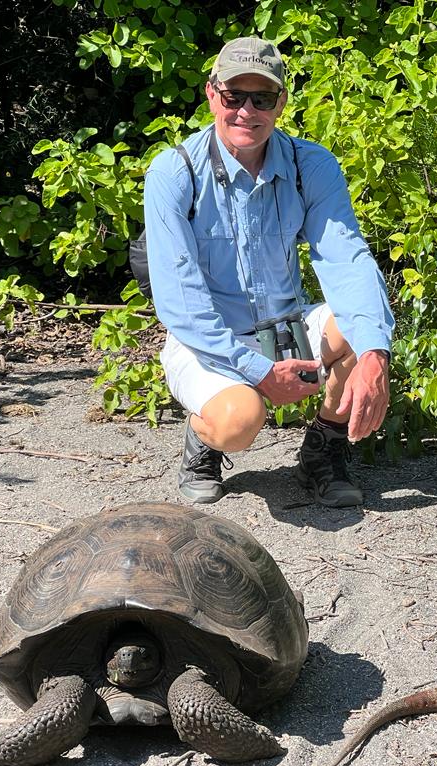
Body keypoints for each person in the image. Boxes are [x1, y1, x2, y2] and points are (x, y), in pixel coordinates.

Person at [143, 36, 394, 508]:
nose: (246, 111)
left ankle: (324, 448)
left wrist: (377, 353)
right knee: (240, 420)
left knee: (364, 325)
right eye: (234, 96)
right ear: (212, 93)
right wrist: (260, 374)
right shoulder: (173, 174)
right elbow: (182, 305)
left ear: (281, 102)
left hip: (286, 327)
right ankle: (205, 441)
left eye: (262, 98)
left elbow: (348, 260)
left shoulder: (311, 165)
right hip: (207, 342)